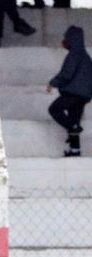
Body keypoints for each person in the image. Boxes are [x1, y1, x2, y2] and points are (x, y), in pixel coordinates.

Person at [47, 26, 92, 158]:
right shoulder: (86, 57)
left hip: (72, 93)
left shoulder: (74, 55)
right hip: (84, 96)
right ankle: (75, 150)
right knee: (74, 120)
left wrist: (53, 83)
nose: (64, 41)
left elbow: (66, 74)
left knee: (54, 109)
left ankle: (72, 127)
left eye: (66, 38)